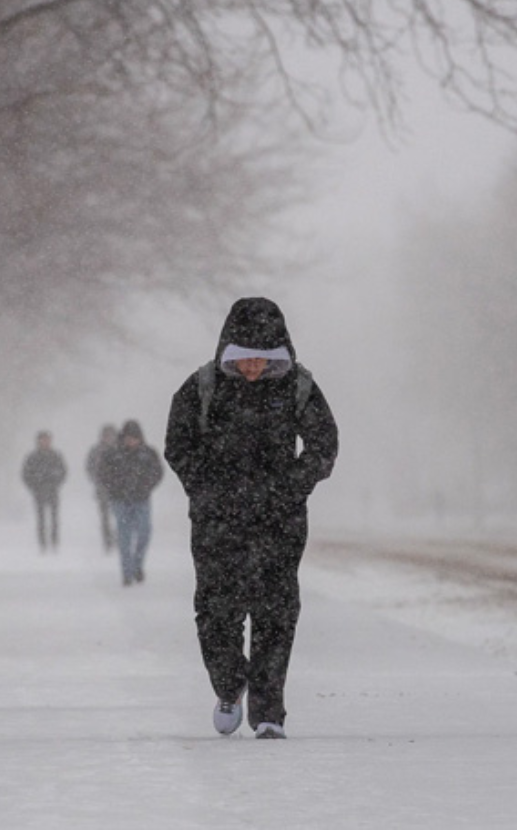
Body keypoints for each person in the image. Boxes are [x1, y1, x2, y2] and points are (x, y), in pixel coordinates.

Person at [164, 297, 338, 740]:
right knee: (216, 611)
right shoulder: (201, 386)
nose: (253, 368)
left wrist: (291, 486)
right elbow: (178, 445)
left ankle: (268, 712)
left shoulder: (299, 387)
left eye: (262, 358)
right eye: (244, 359)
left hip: (279, 521)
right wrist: (207, 488)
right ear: (229, 351)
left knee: (276, 614)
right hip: (216, 521)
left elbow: (323, 445)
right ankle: (229, 683)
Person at [98, 419, 164, 586]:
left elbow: (157, 472)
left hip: (142, 499)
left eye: (134, 438)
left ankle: (137, 565)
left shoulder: (148, 453)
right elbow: (103, 474)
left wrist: (146, 486)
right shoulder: (113, 454)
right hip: (120, 501)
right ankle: (126, 572)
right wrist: (115, 488)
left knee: (144, 531)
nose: (131, 441)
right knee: (124, 535)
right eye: (128, 438)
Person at [21, 430, 66, 552]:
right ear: (38, 441)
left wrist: (56, 483)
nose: (45, 442)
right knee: (41, 519)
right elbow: (26, 474)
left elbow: (63, 472)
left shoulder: (56, 456)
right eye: (42, 439)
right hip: (39, 492)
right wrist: (34, 486)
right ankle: (42, 543)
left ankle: (54, 542)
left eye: (47, 439)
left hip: (52, 491)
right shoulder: (33, 457)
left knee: (54, 518)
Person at [85, 424, 119, 552]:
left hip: (118, 490)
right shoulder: (96, 451)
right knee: (105, 517)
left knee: (119, 515)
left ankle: (117, 539)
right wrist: (97, 480)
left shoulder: (120, 449)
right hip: (102, 489)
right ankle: (107, 541)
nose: (109, 438)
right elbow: (89, 468)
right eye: (107, 435)